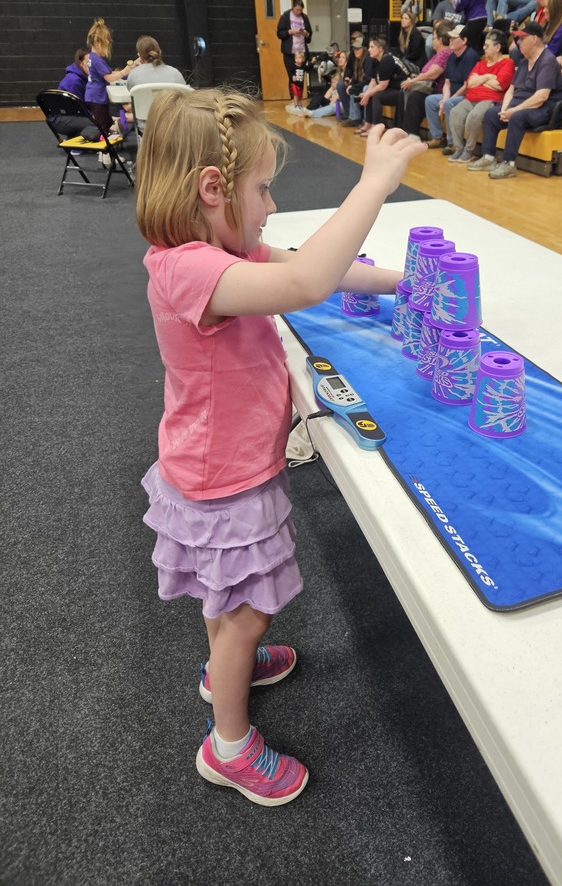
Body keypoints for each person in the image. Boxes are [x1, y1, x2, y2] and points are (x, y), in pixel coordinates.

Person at [135, 87, 424, 806]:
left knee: (225, 593)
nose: (269, 205)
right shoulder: (188, 269)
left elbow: (312, 264)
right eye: (263, 188)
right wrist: (374, 185)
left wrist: (404, 284)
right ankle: (227, 744)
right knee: (248, 608)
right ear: (211, 189)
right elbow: (304, 280)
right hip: (222, 479)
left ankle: (222, 664)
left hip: (218, 466)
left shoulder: (218, 246)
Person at [467, 21, 562, 180]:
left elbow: (541, 97)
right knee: (492, 114)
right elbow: (511, 90)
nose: (517, 42)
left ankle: (509, 163)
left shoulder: (548, 61)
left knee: (517, 117)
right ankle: (488, 158)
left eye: (521, 39)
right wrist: (505, 109)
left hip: (542, 109)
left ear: (534, 39)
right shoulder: (524, 61)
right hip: (521, 106)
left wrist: (514, 111)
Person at [447, 28, 514, 162]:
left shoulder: (507, 63)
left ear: (498, 47)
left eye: (487, 46)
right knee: (455, 112)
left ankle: (468, 151)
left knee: (474, 116)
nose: (484, 48)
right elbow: (470, 83)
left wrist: (481, 79)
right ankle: (459, 149)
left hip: (491, 99)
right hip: (471, 98)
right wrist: (488, 77)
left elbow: (500, 85)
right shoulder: (480, 64)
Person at [424, 25, 480, 151]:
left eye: (455, 38)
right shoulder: (451, 57)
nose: (451, 40)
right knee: (430, 100)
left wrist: (449, 99)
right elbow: (447, 83)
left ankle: (453, 143)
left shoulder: (471, 56)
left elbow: (467, 85)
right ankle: (437, 137)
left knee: (449, 103)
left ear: (464, 40)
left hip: (467, 96)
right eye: (450, 37)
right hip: (452, 94)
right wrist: (444, 98)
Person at [399, 21, 453, 138]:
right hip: (428, 88)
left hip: (436, 90)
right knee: (404, 92)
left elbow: (431, 74)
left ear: (440, 40)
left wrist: (412, 81)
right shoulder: (436, 54)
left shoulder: (445, 54)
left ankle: (411, 133)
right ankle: (403, 130)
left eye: (433, 38)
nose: (431, 41)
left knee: (415, 96)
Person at [84, 17, 134, 139]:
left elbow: (107, 74)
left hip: (94, 96)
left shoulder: (92, 57)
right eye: (106, 45)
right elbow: (109, 78)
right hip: (97, 98)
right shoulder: (97, 60)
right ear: (97, 43)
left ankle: (106, 153)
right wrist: (125, 71)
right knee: (104, 128)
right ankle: (105, 154)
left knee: (105, 125)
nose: (108, 49)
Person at [357, 37, 407, 136]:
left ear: (380, 48)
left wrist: (369, 94)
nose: (369, 50)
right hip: (391, 88)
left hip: (402, 90)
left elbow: (383, 86)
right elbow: (373, 81)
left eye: (372, 47)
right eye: (369, 47)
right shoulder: (375, 60)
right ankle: (368, 124)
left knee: (377, 95)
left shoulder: (387, 59)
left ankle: (376, 128)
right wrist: (367, 93)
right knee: (370, 93)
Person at [48, 48, 101, 140]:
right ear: (81, 63)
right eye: (88, 63)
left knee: (102, 121)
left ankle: (74, 138)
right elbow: (80, 109)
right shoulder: (74, 81)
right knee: (101, 124)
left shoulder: (83, 76)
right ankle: (76, 143)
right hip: (61, 119)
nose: (92, 66)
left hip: (71, 115)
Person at [276, 0, 312, 98]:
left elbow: (309, 35)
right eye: (297, 10)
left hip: (301, 51)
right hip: (290, 52)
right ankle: (294, 99)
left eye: (301, 10)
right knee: (293, 76)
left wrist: (306, 34)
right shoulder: (286, 16)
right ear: (293, 7)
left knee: (300, 76)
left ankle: (299, 98)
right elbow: (279, 33)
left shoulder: (304, 18)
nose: (299, 12)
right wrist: (290, 32)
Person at [338, 37, 375, 128]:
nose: (355, 51)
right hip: (358, 81)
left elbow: (369, 80)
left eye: (358, 49)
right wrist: (347, 78)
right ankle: (350, 115)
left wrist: (354, 87)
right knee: (341, 85)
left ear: (364, 49)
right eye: (354, 48)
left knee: (358, 88)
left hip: (369, 83)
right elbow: (349, 68)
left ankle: (362, 119)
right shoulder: (352, 55)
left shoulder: (368, 60)